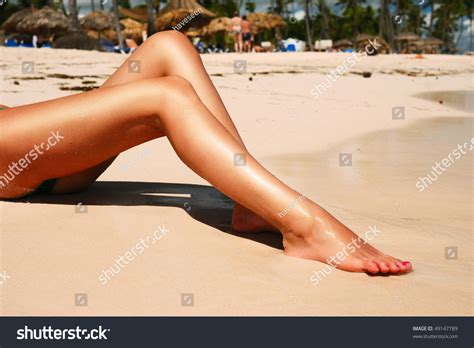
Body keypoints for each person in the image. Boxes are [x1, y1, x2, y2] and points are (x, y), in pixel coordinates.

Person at [0, 31, 412, 275]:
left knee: (168, 44)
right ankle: (305, 226)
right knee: (168, 97)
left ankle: (249, 204)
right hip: (12, 159)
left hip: (29, 143)